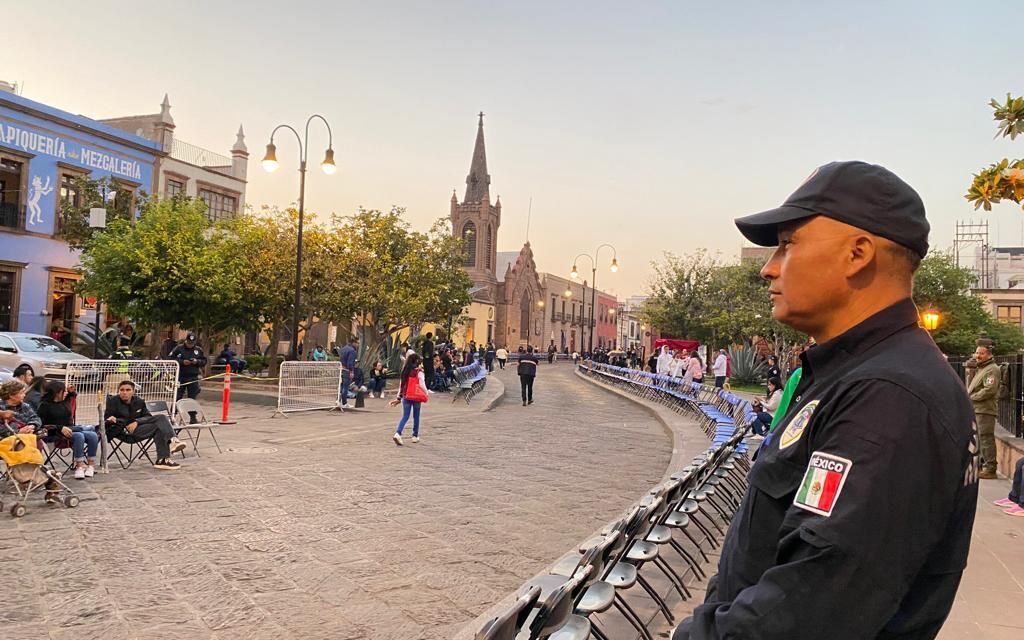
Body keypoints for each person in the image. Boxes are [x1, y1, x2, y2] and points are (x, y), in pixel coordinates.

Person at [674, 161, 978, 639]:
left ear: (857, 254)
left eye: (788, 244)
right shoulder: (854, 374)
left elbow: (808, 608)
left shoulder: (891, 396)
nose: (768, 268)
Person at [104, 380, 186, 470]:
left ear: (133, 391)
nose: (124, 392)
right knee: (160, 420)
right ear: (118, 391)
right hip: (124, 431)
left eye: (128, 390)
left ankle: (163, 460)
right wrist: (117, 421)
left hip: (139, 428)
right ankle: (173, 441)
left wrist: (136, 421)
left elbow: (147, 416)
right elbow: (107, 420)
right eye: (122, 390)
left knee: (160, 423)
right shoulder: (113, 402)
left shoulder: (139, 401)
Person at [37, 381, 98, 480]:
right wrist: (59, 427)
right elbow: (41, 424)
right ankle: (79, 465)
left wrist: (71, 392)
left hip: (70, 429)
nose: (65, 393)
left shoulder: (64, 402)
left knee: (92, 435)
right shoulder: (44, 405)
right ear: (57, 392)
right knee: (79, 435)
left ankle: (91, 465)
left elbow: (72, 397)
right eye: (63, 391)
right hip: (54, 432)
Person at [968, 343, 1000, 480]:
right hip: (978, 409)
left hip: (985, 409)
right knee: (981, 438)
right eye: (976, 353)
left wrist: (972, 397)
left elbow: (989, 390)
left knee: (986, 438)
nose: (977, 356)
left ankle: (990, 468)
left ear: (989, 355)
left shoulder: (991, 369)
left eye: (981, 353)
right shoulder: (982, 368)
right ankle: (983, 465)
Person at [391, 353, 426, 446]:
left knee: (405, 416)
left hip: (406, 395)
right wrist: (426, 393)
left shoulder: (405, 371)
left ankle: (398, 433)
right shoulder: (419, 371)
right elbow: (422, 384)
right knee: (416, 416)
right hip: (416, 396)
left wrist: (399, 397)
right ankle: (415, 435)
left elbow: (401, 386)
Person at [170, 334, 207, 400]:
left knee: (192, 398)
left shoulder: (198, 350)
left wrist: (197, 361)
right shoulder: (179, 348)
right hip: (180, 376)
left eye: (192, 343)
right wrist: (182, 362)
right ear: (186, 341)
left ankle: (191, 410)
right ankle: (174, 409)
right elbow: (170, 359)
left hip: (193, 377)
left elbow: (204, 361)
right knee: (178, 396)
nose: (190, 345)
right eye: (189, 343)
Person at [338, 336, 358, 409]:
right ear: (353, 343)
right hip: (347, 370)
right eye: (357, 343)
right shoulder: (352, 351)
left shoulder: (343, 349)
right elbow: (350, 363)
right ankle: (344, 402)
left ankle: (338, 401)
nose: (358, 345)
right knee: (345, 387)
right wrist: (351, 371)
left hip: (341, 368)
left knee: (341, 386)